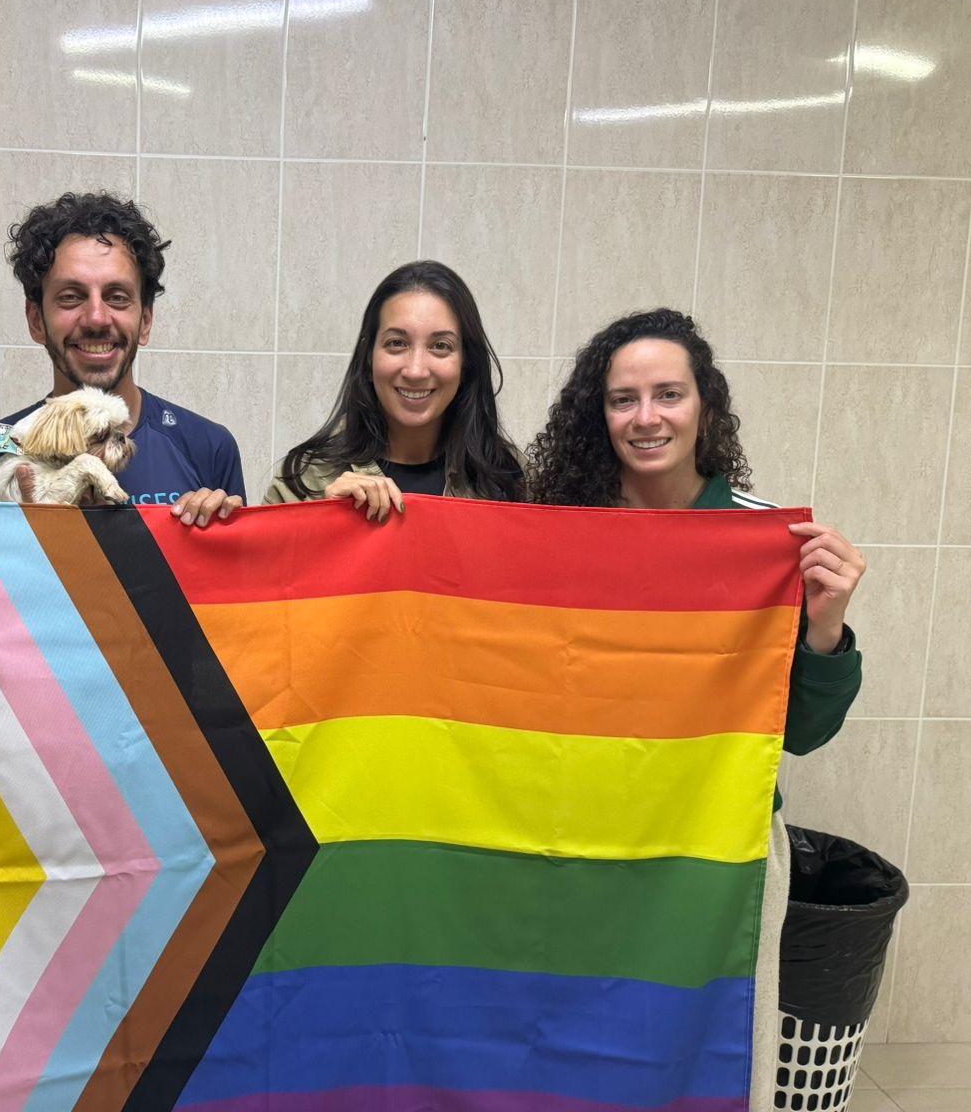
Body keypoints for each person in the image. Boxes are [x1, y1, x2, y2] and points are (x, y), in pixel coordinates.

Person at [527, 307, 865, 1112]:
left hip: (719, 852)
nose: (646, 417)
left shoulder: (764, 541)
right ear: (599, 414)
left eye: (668, 394)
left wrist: (825, 629)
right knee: (570, 1045)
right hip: (581, 842)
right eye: (623, 399)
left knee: (710, 1046)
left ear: (705, 406)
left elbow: (803, 733)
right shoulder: (556, 535)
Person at [0, 191, 245, 527]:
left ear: (145, 321)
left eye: (117, 297)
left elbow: (239, 564)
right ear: (36, 321)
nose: (96, 318)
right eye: (71, 297)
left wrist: (215, 539)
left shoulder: (209, 450)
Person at [264, 260, 524, 515]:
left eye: (440, 346)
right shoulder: (306, 480)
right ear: (368, 357)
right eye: (397, 343)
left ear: (467, 363)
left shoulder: (509, 478)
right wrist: (322, 519)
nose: (415, 371)